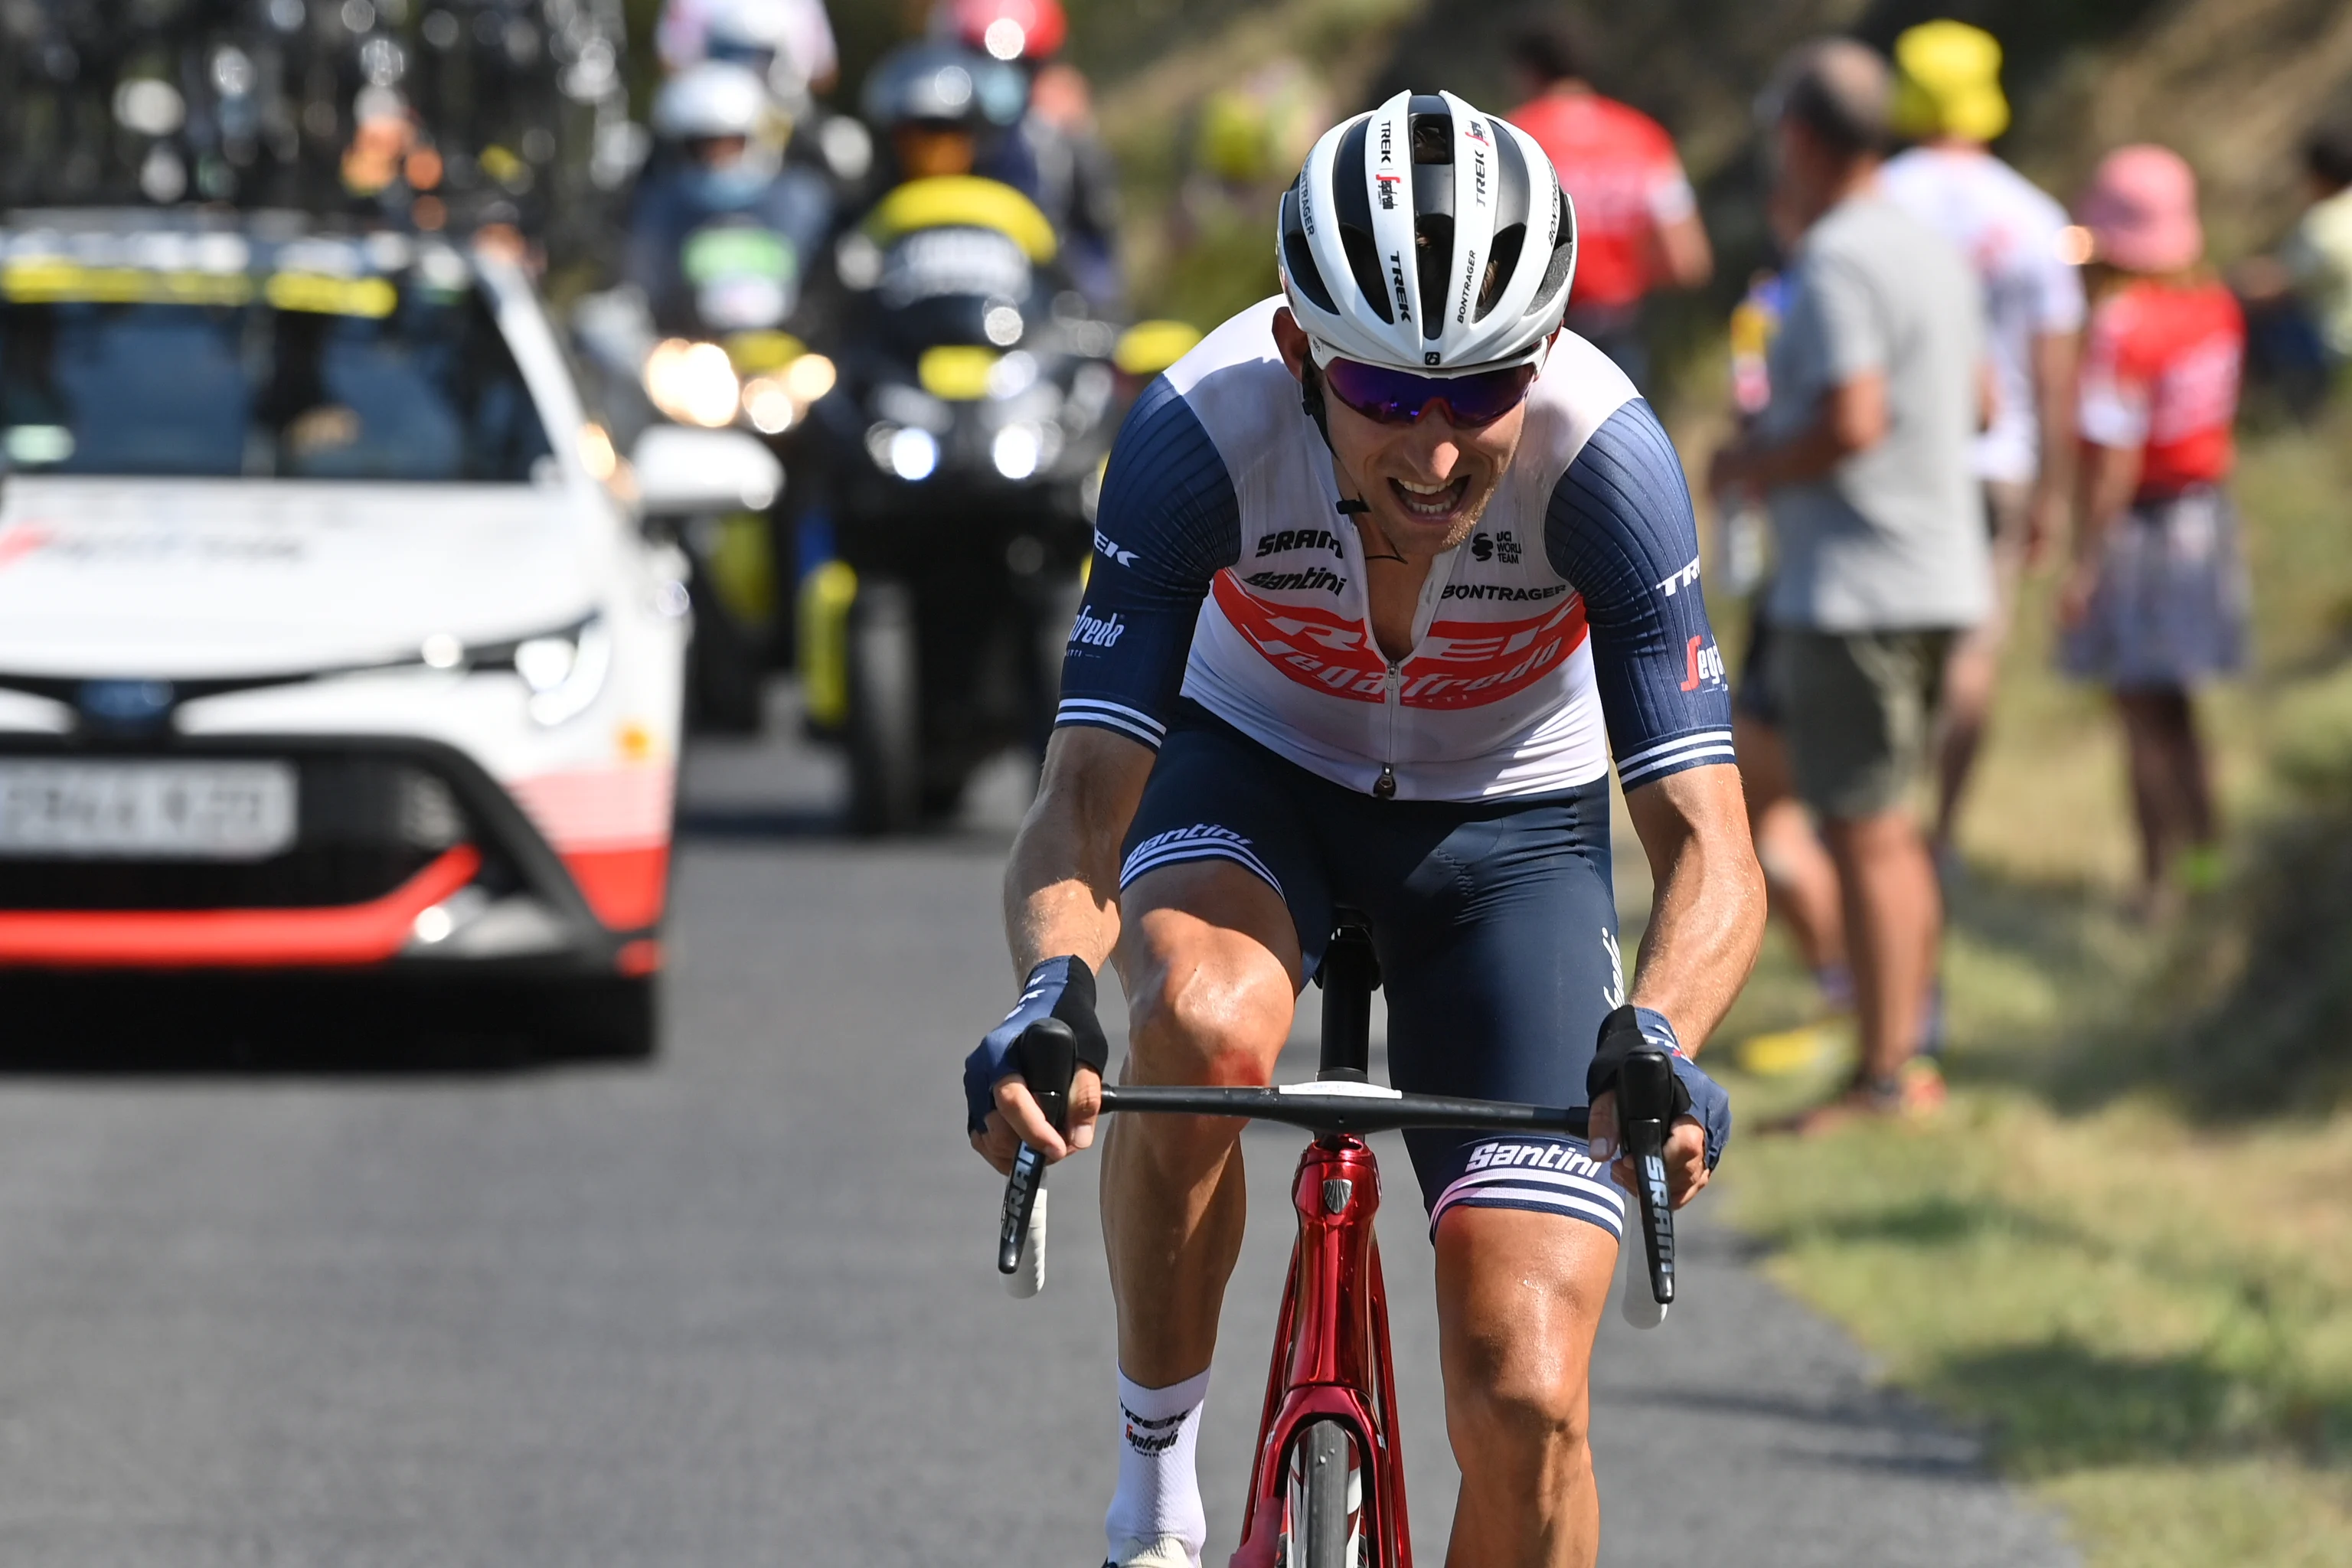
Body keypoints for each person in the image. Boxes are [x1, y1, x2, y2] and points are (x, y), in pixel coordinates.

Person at [964, 90, 1763, 1568]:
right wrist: (1050, 998)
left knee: (1527, 1391)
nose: (1437, 451)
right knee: (1199, 1026)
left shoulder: (1609, 459)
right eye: (1386, 394)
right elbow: (1083, 792)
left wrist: (1659, 1030)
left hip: (1507, 828)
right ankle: (1154, 1485)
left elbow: (1711, 839)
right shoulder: (1196, 434)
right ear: (1296, 351)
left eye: (1479, 393)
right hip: (1252, 771)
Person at [1707, 40, 1987, 1124]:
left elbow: (1858, 417)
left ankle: (1890, 1074)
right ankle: (1899, 1046)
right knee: (1880, 825)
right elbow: (1978, 405)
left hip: (1857, 585)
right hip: (1933, 569)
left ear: (1804, 139)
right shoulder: (1928, 246)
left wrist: (1751, 462)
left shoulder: (1835, 261)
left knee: (1864, 832)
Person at [1879, 19, 2085, 861]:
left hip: (1893, 463)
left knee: (1890, 651)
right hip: (2001, 465)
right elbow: (2057, 371)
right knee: (1973, 650)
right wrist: (2055, 495)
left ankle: (1879, 822)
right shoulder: (2033, 215)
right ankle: (1945, 831)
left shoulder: (1879, 197)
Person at [2060, 145, 2247, 918]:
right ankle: (2208, 861)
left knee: (2139, 711)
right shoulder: (2215, 304)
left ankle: (2155, 882)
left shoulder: (2121, 325)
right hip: (2206, 515)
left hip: (2140, 528)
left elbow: (2114, 457)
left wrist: (2085, 560)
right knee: (2183, 705)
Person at [1505, 15, 1713, 389]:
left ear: (1528, 71)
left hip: (1533, 339)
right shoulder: (1645, 138)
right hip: (1620, 340)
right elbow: (1687, 261)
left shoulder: (1512, 140)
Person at [624, 60, 834, 335]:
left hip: (788, 349)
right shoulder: (661, 207)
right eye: (701, 145)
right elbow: (644, 281)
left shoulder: (799, 201)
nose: (716, 156)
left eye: (729, 142)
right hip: (692, 350)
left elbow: (827, 275)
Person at [947, 0, 1125, 310]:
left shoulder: (1065, 145)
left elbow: (1097, 251)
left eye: (1022, 66)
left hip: (1056, 303)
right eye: (982, 61)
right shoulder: (941, 140)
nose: (1000, 77)